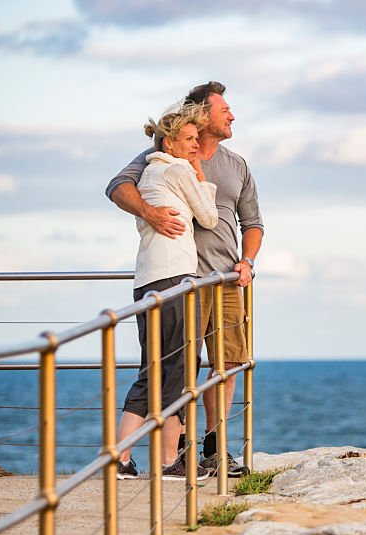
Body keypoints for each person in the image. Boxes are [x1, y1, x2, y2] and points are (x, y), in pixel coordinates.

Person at [106, 82, 263, 478]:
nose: (232, 116)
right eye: (224, 109)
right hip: (184, 277)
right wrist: (149, 212)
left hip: (228, 278)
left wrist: (247, 260)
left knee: (227, 362)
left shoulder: (237, 164)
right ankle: (169, 457)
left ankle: (212, 447)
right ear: (200, 114)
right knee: (180, 367)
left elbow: (254, 223)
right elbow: (116, 187)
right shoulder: (166, 151)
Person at [115, 103, 219, 481]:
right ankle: (167, 463)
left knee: (151, 370)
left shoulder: (148, 175)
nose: (195, 145)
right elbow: (209, 217)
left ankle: (120, 458)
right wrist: (199, 173)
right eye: (189, 139)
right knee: (176, 370)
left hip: (147, 281)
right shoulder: (177, 170)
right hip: (175, 279)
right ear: (170, 142)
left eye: (196, 140)